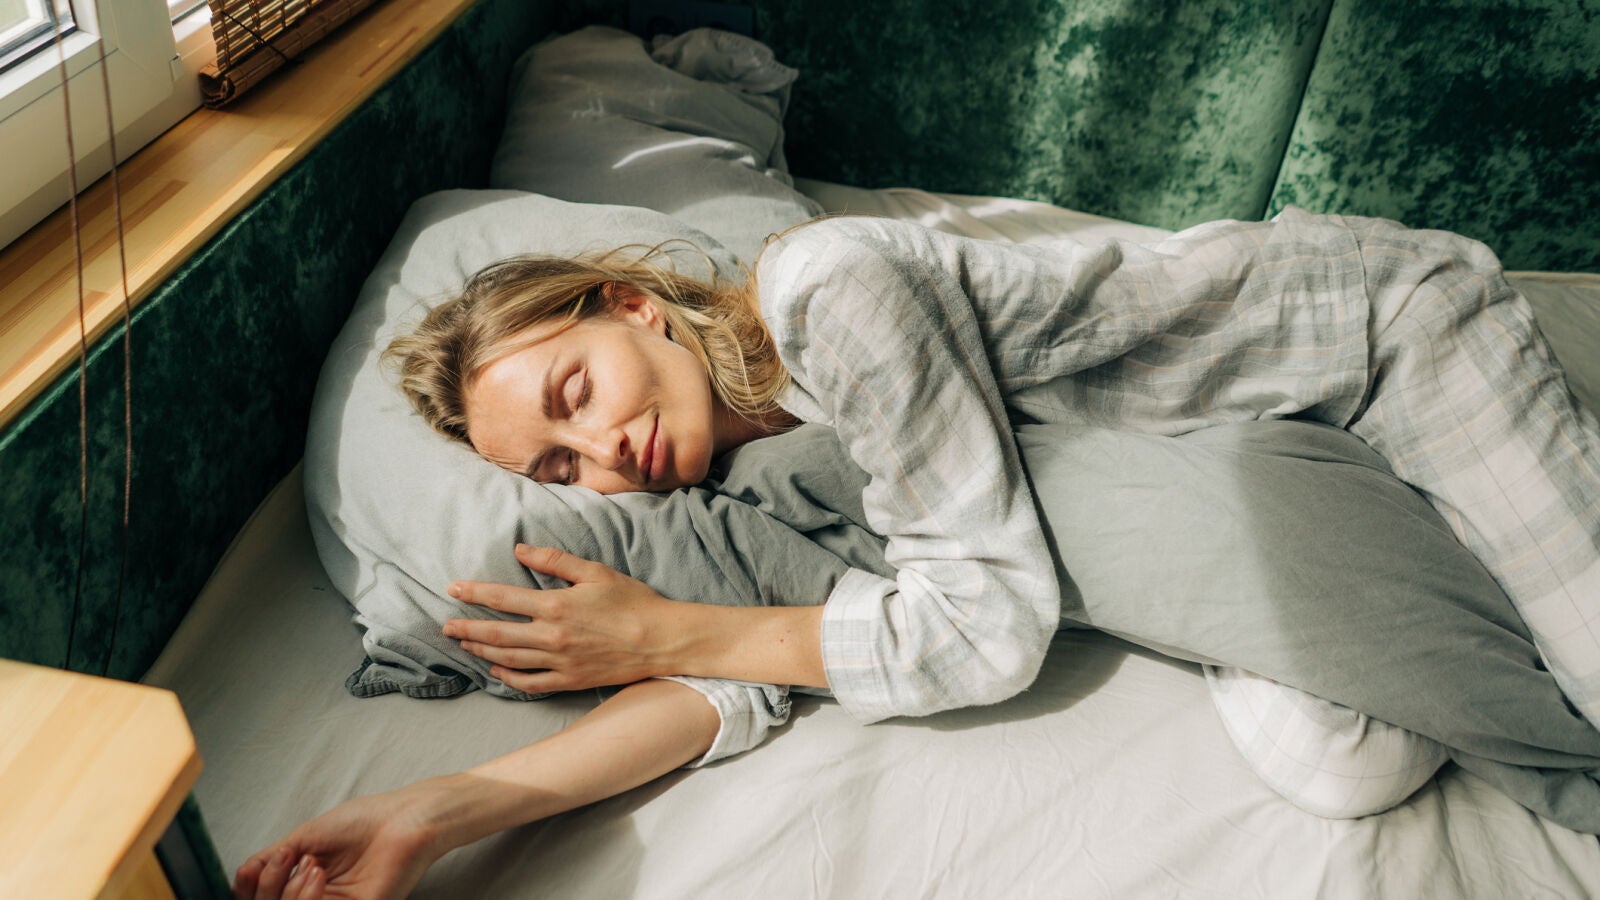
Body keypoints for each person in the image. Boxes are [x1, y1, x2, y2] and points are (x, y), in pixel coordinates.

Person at [233, 209, 1600, 899]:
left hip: (1380, 342)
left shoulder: (829, 291)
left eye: (575, 394)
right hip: (1234, 455)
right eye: (556, 469)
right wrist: (432, 815)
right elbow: (743, 684)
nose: (602, 458)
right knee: (1342, 766)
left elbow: (981, 631)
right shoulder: (757, 476)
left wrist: (668, 629)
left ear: (633, 307)